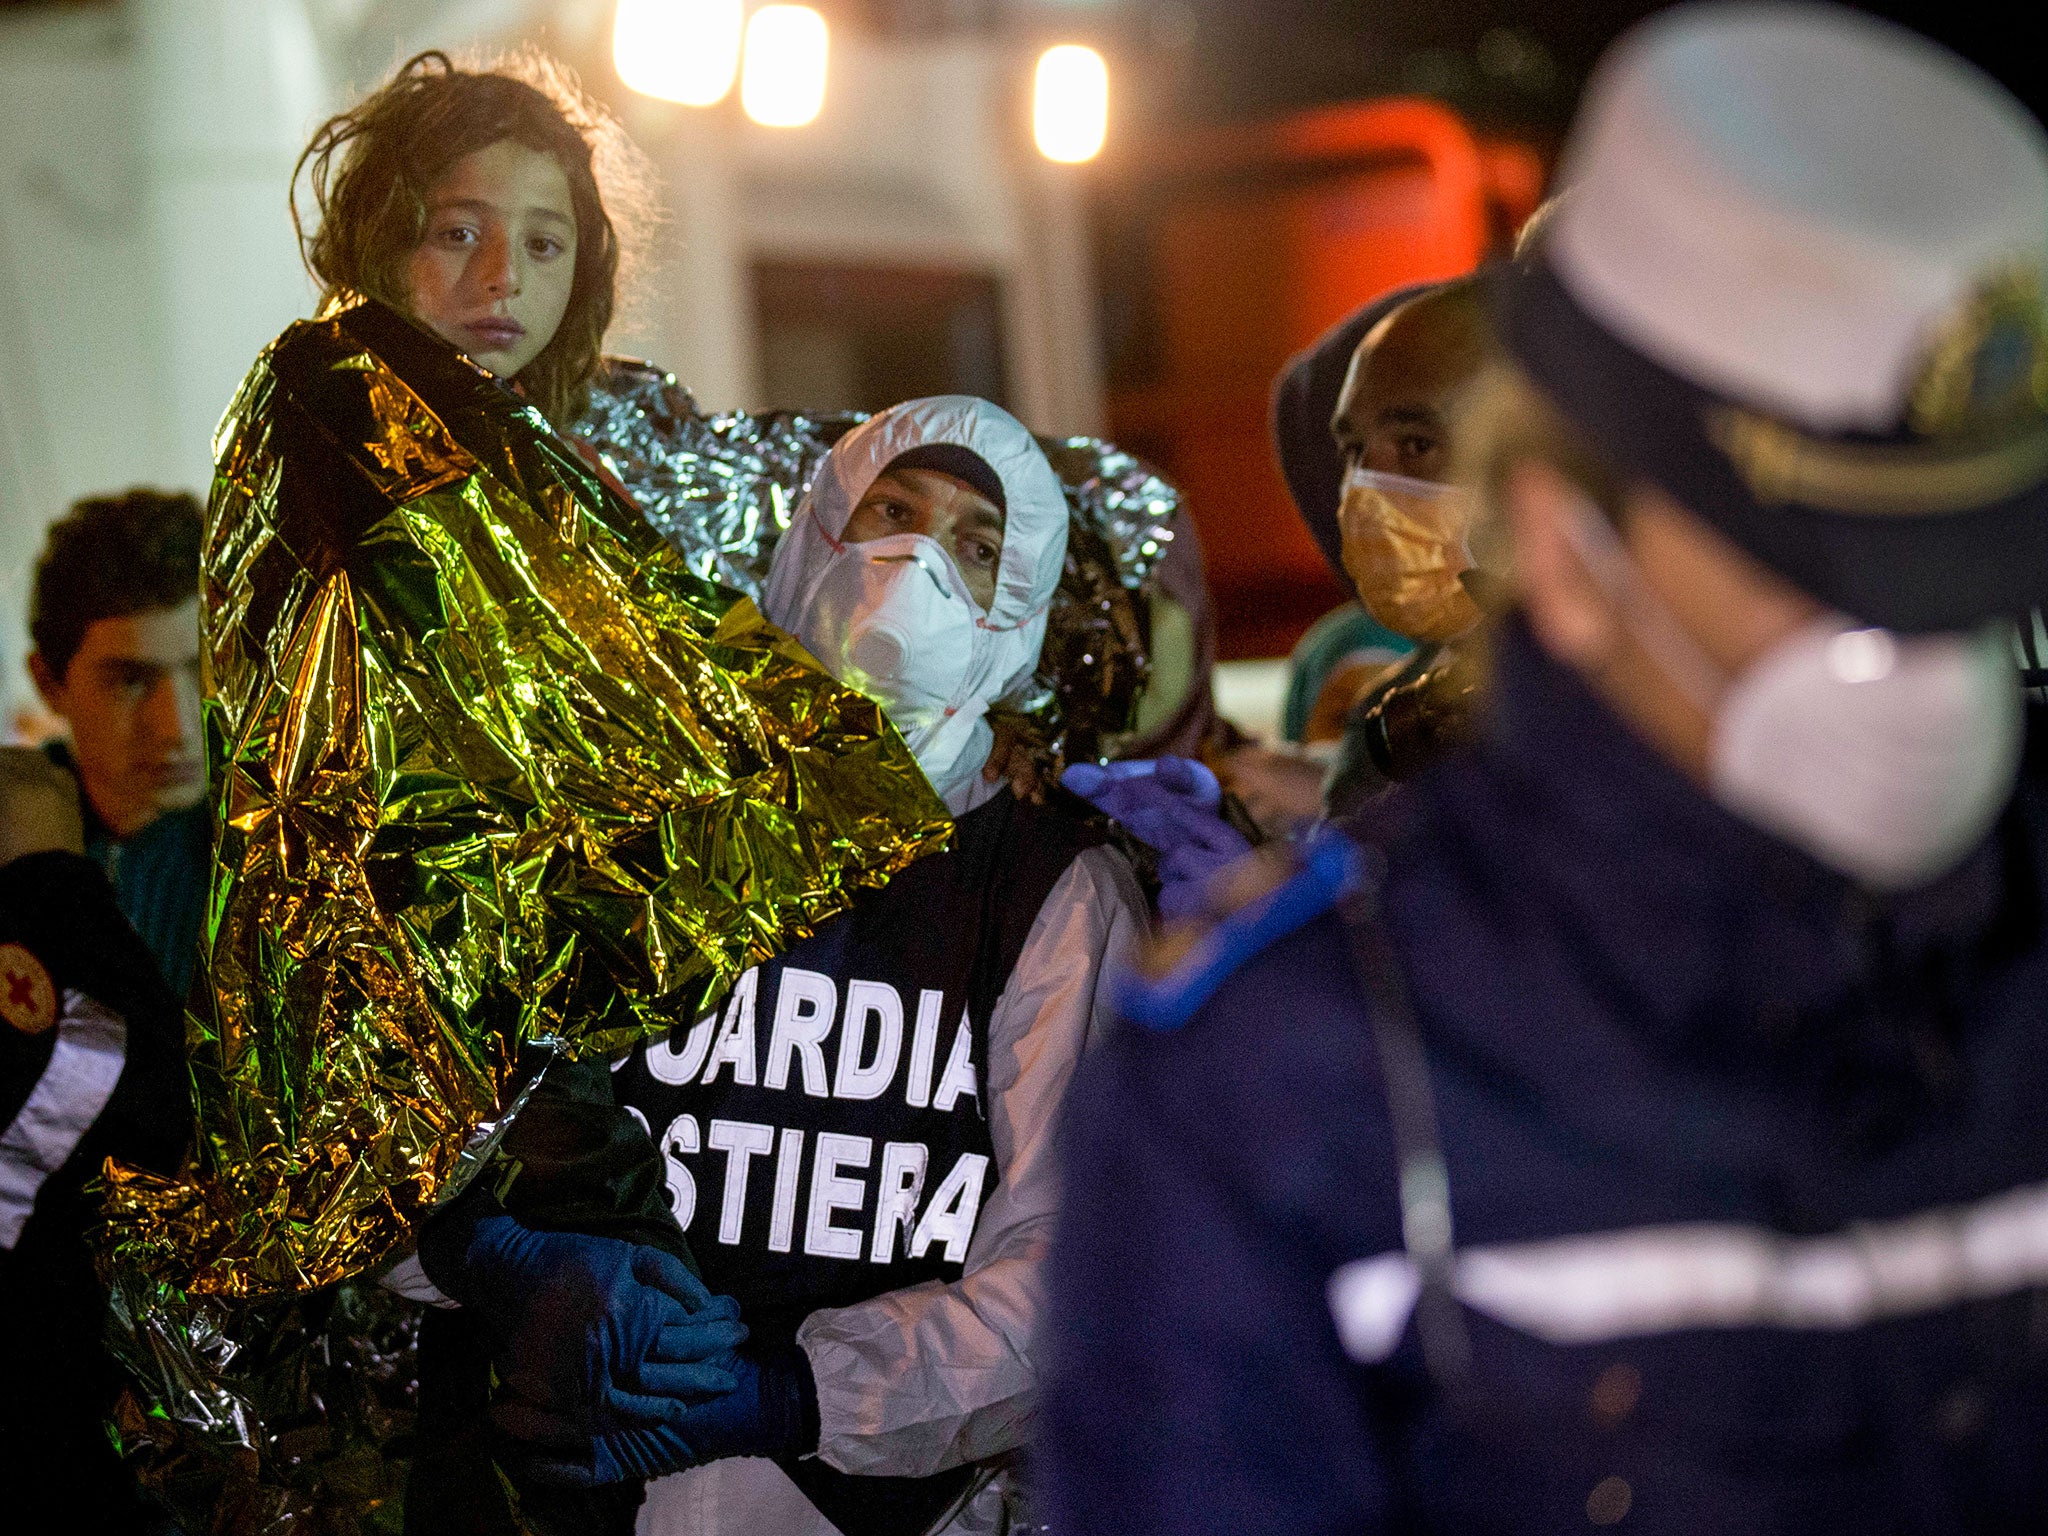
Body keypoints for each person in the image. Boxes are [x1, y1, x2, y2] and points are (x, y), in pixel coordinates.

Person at [1041, 6, 2048, 1534]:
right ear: (1570, 550)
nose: (1910, 641)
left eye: (1965, 558)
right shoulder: (1285, 1094)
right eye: (1814, 564)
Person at [99, 51, 948, 1536]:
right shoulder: (344, 398)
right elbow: (496, 727)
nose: (503, 275)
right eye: (459, 229)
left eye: (546, 241)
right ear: (379, 240)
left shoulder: (538, 444)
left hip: (524, 1054)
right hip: (422, 1049)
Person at [614, 396, 1146, 1536]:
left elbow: (1085, 1263)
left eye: (975, 546)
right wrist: (514, 1270)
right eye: (891, 511)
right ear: (815, 538)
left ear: (1018, 610)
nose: (913, 568)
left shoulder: (1048, 887)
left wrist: (802, 1392)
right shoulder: (637, 811)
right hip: (572, 1484)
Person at [1, 491, 207, 1531]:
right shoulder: (19, 854)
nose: (174, 724)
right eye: (129, 679)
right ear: (48, 680)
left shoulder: (285, 867)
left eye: (200, 669)